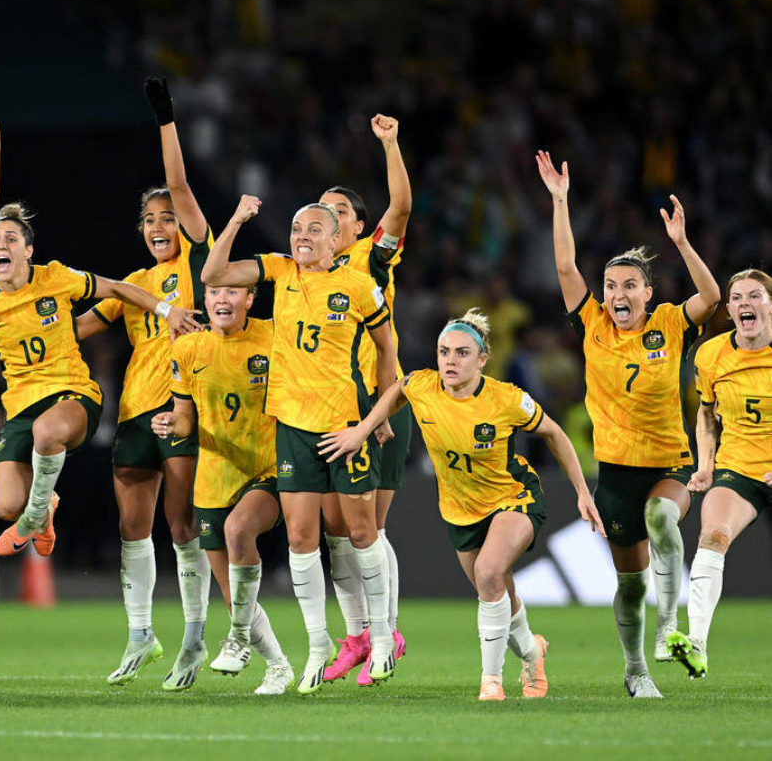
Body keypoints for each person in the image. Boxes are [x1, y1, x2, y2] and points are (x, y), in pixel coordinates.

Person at [0, 203, 200, 568]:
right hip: (21, 411)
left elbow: (117, 288)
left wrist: (167, 311)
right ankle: (43, 507)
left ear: (27, 251)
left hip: (74, 397)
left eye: (10, 239)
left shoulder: (54, 277)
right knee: (5, 504)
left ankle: (33, 517)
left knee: (47, 432)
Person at [319, 308, 605, 701]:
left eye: (462, 353)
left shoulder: (506, 399)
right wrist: (364, 429)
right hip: (460, 510)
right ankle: (532, 651)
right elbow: (398, 389)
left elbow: (555, 434)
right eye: (444, 352)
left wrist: (582, 492)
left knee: (489, 574)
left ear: (482, 359)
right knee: (498, 592)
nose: (450, 360)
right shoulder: (423, 386)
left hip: (513, 497)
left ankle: (491, 682)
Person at [536, 151, 720, 698]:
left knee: (664, 516)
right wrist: (561, 200)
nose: (617, 294)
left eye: (629, 285)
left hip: (668, 463)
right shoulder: (592, 324)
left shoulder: (669, 323)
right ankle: (636, 669)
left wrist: (683, 244)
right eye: (611, 285)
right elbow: (566, 269)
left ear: (647, 293)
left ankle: (670, 629)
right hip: (615, 473)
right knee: (631, 584)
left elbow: (710, 298)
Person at [202, 194, 398, 695]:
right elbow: (213, 274)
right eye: (295, 228)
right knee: (299, 539)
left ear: (338, 239)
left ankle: (379, 640)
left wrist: (375, 417)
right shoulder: (279, 270)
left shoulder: (359, 285)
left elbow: (387, 348)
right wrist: (238, 218)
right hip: (292, 426)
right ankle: (317, 646)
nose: (302, 237)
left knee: (359, 533)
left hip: (344, 427)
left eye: (314, 229)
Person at [76, 78, 214, 692]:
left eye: (168, 219)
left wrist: (166, 119)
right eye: (150, 220)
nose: (160, 225)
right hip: (135, 412)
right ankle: (140, 634)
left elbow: (180, 187)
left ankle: (193, 636)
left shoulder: (199, 265)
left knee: (183, 528)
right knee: (134, 528)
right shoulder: (133, 284)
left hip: (186, 410)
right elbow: (77, 327)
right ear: (140, 231)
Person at [151, 283, 294, 695]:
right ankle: (279, 666)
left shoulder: (272, 336)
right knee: (232, 591)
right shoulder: (186, 350)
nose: (222, 300)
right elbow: (184, 418)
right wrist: (168, 423)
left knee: (238, 531)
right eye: (214, 292)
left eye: (233, 292)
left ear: (250, 299)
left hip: (268, 465)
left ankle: (237, 639)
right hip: (214, 474)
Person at [319, 113, 412, 686]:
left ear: (356, 228)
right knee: (334, 531)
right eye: (320, 213)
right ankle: (357, 633)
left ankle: (387, 631)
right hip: (325, 412)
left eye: (340, 213)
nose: (329, 221)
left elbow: (400, 208)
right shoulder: (304, 274)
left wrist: (390, 143)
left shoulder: (368, 260)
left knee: (366, 532)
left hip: (375, 411)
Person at [666, 269, 772, 679]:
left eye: (756, 296)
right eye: (738, 297)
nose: (746, 303)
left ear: (769, 304)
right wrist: (706, 464)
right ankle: (697, 645)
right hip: (740, 468)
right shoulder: (710, 355)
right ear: (728, 309)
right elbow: (707, 415)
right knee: (713, 535)